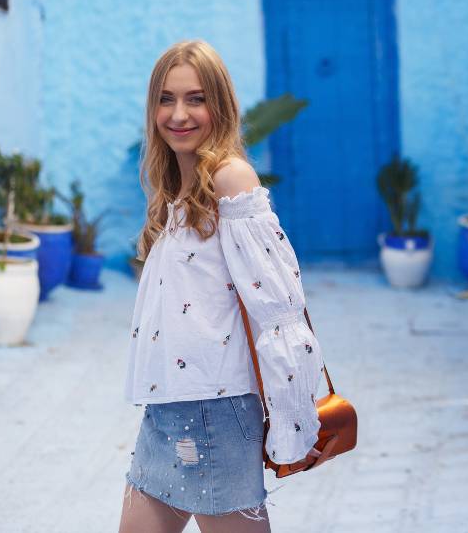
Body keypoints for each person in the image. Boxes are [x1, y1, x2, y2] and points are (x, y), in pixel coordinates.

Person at [119, 40, 323, 533]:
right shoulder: (176, 187)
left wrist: (292, 413)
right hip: (170, 407)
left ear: (220, 105)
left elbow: (278, 305)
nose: (179, 114)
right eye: (166, 99)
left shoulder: (231, 179)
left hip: (215, 408)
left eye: (195, 98)